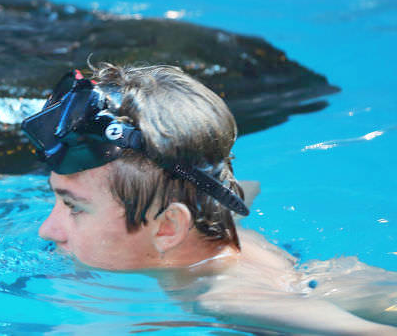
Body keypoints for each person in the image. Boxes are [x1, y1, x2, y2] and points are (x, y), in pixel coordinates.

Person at [24, 63, 397, 335]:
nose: (47, 230)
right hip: (327, 276)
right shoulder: (218, 218)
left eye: (73, 206)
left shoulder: (223, 300)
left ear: (169, 228)